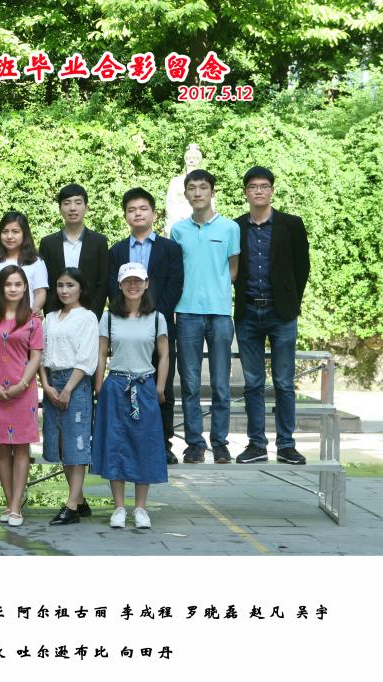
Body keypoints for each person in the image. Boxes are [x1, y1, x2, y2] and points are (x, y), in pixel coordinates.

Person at [233, 166, 310, 465]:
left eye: (264, 186)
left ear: (272, 190)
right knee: (253, 383)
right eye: (253, 186)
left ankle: (287, 445)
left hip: (282, 313)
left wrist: (291, 302)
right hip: (248, 311)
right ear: (246, 192)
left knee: (284, 382)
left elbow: (302, 268)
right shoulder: (235, 227)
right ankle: (256, 445)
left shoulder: (291, 224)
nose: (259, 191)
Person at [108, 188, 184, 464]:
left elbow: (175, 285)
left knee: (162, 387)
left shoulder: (170, 248)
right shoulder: (116, 251)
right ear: (125, 215)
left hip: (159, 327)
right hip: (125, 330)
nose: (137, 214)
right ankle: (129, 442)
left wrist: (152, 317)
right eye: (132, 210)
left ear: (153, 213)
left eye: (143, 209)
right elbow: (112, 286)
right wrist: (130, 316)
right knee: (125, 385)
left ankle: (162, 444)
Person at [171, 169, 240, 464]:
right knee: (189, 384)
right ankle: (195, 444)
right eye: (192, 187)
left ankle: (220, 443)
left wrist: (216, 290)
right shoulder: (178, 230)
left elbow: (233, 269)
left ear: (212, 191)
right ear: (186, 193)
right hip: (187, 313)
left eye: (203, 187)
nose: (197, 192)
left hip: (220, 314)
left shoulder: (230, 228)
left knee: (221, 383)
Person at [93, 262, 169, 529]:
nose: (133, 285)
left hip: (144, 385)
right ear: (120, 285)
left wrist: (160, 387)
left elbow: (164, 355)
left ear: (146, 284)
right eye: (128, 281)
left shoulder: (157, 318)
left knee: (143, 444)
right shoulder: (109, 317)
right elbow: (101, 353)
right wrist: (99, 384)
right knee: (115, 444)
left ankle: (140, 508)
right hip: (116, 385)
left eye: (138, 281)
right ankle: (118, 508)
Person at [0, 265, 43, 527]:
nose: (13, 289)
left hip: (23, 391)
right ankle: (9, 502)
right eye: (8, 284)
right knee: (2, 449)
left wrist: (22, 384)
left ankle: (16, 506)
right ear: (0, 288)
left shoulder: (33, 320)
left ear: (25, 287)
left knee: (22, 448)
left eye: (18, 284)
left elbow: (35, 356)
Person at [38, 267, 98, 525]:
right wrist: (46, 385)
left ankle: (71, 506)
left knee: (77, 443)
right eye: (61, 285)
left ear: (80, 288)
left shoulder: (87, 317)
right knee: (61, 444)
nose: (64, 290)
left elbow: (87, 357)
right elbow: (40, 354)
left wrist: (68, 389)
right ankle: (80, 500)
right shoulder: (50, 318)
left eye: (70, 285)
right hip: (52, 383)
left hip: (76, 383)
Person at [37, 183, 108, 317]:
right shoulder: (48, 243)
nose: (73, 208)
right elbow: (45, 283)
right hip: (56, 315)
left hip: (89, 314)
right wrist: (51, 315)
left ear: (86, 207)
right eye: (67, 203)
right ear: (60, 208)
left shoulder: (99, 242)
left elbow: (102, 283)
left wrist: (93, 315)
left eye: (78, 202)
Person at [0, 211, 48, 314]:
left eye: (15, 232)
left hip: (26, 317)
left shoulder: (36, 262)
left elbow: (40, 292)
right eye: (5, 231)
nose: (9, 236)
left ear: (24, 234)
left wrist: (35, 309)